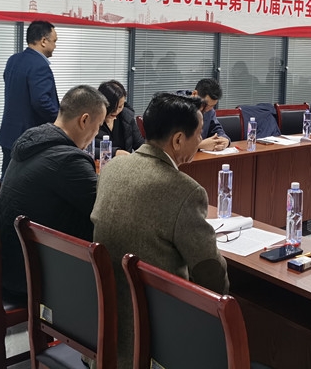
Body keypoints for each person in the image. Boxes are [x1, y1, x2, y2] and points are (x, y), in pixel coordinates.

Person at [92, 92, 228, 369]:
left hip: (105, 327)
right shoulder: (185, 190)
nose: (200, 140)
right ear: (178, 140)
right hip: (156, 337)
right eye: (198, 134)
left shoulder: (112, 168)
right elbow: (211, 276)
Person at [0, 85, 107, 304]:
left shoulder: (33, 139)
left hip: (6, 265)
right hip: (28, 279)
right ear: (84, 120)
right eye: (98, 126)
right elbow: (104, 210)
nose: (96, 133)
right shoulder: (68, 160)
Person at [0, 20, 60, 176]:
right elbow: (41, 102)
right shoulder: (40, 66)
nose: (55, 46)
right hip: (29, 140)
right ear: (44, 41)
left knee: (7, 180)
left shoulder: (13, 60)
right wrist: (61, 121)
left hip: (9, 135)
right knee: (25, 184)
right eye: (54, 41)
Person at [177, 78, 230, 151]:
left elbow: (217, 130)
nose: (208, 109)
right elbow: (172, 143)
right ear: (195, 94)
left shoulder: (209, 110)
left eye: (212, 106)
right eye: (206, 105)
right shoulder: (177, 107)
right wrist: (200, 145)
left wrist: (225, 140)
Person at [96, 80, 144, 155]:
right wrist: (114, 152)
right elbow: (84, 149)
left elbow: (140, 145)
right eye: (112, 107)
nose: (116, 111)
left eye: (120, 106)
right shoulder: (92, 121)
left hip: (125, 161)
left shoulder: (127, 117)